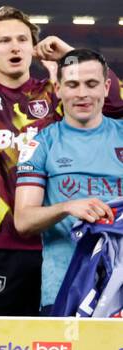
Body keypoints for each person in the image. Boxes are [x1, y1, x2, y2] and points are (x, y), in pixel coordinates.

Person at [0, 0, 123, 315]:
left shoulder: (55, 94)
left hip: (64, 245)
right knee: (2, 343)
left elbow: (114, 105)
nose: (15, 46)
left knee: (59, 343)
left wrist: (70, 56)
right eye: (4, 40)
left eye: (22, 39)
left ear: (32, 48)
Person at [14, 49, 123, 313]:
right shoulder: (40, 144)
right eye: (72, 85)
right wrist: (67, 207)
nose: (82, 93)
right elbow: (23, 221)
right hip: (64, 289)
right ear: (58, 88)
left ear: (107, 87)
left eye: (92, 84)